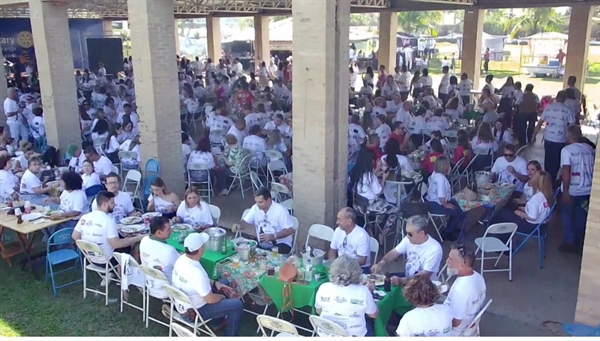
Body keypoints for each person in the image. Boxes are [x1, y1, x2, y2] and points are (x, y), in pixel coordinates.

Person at [171, 233, 244, 336]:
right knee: (237, 305)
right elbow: (210, 300)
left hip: (182, 305)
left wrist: (215, 283)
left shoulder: (182, 259)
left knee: (224, 283)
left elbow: (198, 282)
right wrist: (221, 296)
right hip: (194, 312)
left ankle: (218, 323)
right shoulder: (197, 273)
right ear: (201, 250)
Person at [73, 191, 144, 283]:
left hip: (90, 259)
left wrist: (89, 245)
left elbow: (75, 236)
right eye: (112, 202)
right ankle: (130, 277)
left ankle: (117, 274)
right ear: (104, 204)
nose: (115, 204)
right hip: (107, 261)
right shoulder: (108, 221)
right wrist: (137, 238)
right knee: (130, 245)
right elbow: (116, 244)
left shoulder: (85, 217)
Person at [315, 255, 378, 337]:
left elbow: (318, 311)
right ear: (356, 272)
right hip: (353, 336)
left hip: (325, 335)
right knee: (370, 326)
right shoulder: (363, 291)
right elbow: (374, 315)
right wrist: (369, 294)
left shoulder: (324, 287)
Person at [371, 215, 442, 283]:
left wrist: (402, 281)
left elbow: (425, 275)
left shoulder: (435, 249)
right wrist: (381, 263)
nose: (407, 236)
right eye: (406, 232)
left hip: (424, 286)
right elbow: (394, 252)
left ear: (422, 233)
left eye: (410, 234)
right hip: (408, 279)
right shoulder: (408, 239)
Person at [559, 125, 595, 253]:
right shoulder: (589, 149)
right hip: (587, 189)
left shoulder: (567, 150)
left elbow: (566, 170)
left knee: (567, 214)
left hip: (573, 189)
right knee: (581, 215)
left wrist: (566, 191)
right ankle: (579, 240)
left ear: (568, 136)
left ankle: (570, 241)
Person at [232, 187, 296, 254]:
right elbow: (245, 222)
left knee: (268, 257)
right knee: (248, 252)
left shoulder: (280, 210)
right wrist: (238, 225)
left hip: (281, 244)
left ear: (269, 200)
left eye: (260, 202)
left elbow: (290, 230)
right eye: (256, 202)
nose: (257, 204)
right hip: (262, 244)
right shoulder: (255, 208)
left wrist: (273, 236)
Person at [444, 244, 487, 336]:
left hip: (457, 331)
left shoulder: (460, 291)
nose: (446, 260)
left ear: (462, 263)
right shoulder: (478, 276)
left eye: (450, 259)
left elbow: (456, 323)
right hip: (471, 323)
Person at [494, 172, 554, 237]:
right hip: (542, 226)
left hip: (532, 228)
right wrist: (526, 210)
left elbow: (533, 217)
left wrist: (520, 213)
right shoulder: (547, 195)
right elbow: (540, 210)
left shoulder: (536, 199)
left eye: (534, 177)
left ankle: (498, 236)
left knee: (502, 213)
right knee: (511, 207)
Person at [532, 90, 575, 182]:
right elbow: (572, 126)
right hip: (561, 139)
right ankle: (552, 180)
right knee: (557, 161)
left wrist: (534, 135)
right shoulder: (567, 110)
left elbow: (540, 123)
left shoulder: (549, 108)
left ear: (557, 97)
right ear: (565, 99)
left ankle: (547, 179)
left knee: (548, 160)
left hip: (548, 138)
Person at [139, 216, 180, 298]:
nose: (171, 231)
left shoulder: (144, 240)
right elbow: (183, 267)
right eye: (168, 230)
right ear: (158, 233)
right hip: (168, 290)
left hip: (150, 285)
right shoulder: (169, 251)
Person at [427, 156, 466, 241]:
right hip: (438, 204)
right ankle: (448, 231)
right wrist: (446, 204)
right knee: (462, 210)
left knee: (460, 203)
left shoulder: (435, 174)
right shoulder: (441, 179)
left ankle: (452, 226)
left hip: (432, 202)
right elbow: (441, 196)